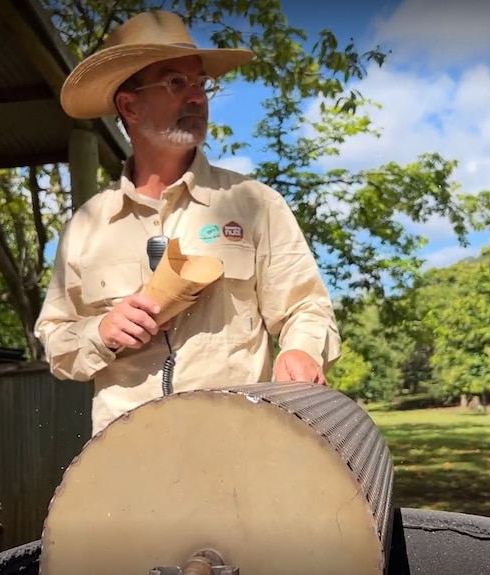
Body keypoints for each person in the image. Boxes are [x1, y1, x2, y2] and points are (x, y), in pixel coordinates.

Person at [34, 10, 341, 437]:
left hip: (240, 446)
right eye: (176, 83)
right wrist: (100, 331)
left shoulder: (253, 203)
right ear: (130, 106)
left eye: (201, 83)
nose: (197, 97)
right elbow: (56, 339)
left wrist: (301, 350)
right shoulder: (88, 225)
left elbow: (305, 307)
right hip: (125, 457)